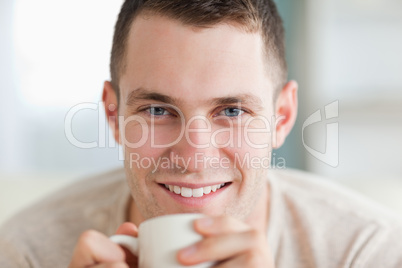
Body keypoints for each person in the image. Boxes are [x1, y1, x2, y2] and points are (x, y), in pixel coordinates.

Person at [1, 0, 402, 267]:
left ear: (281, 118)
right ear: (114, 115)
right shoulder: (27, 252)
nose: (194, 156)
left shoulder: (367, 252)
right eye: (158, 110)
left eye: (232, 111)